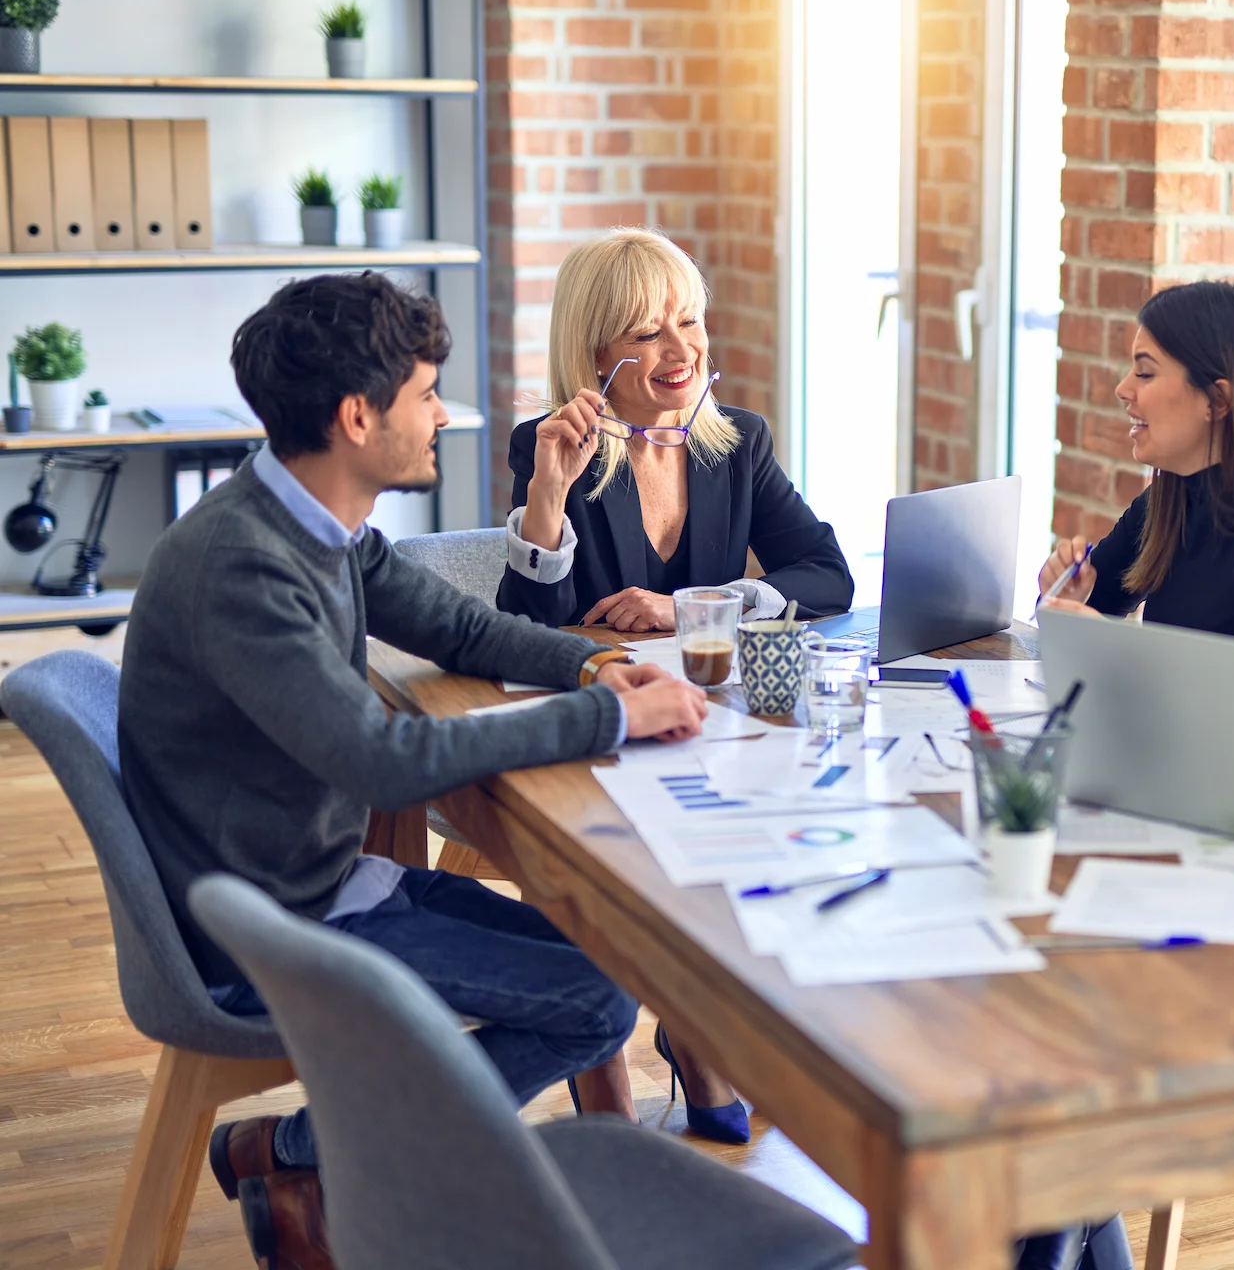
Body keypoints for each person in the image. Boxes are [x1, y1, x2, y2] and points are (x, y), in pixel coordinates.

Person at [119, 272, 713, 1270]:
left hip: (310, 876)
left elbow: (458, 624)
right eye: (427, 393)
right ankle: (309, 1154)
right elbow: (383, 761)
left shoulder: (320, 525)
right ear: (358, 416)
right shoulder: (245, 565)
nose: (444, 414)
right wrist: (608, 714)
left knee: (606, 970)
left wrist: (591, 659)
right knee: (598, 1003)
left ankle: (295, 1153)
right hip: (272, 922)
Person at [498, 227, 853, 632]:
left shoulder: (741, 441)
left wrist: (703, 605)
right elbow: (524, 627)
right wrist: (549, 491)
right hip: (610, 686)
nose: (683, 352)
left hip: (710, 686)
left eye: (688, 321)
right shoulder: (548, 446)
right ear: (596, 354)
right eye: (648, 334)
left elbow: (829, 576)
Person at [1036, 278, 1234, 651]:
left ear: (1218, 399)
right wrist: (1066, 596)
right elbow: (1083, 617)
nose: (1123, 389)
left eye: (1145, 373)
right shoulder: (1169, 500)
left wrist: (1119, 652)